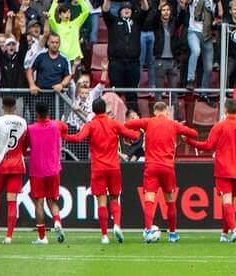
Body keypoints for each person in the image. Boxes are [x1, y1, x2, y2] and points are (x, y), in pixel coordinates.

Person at [63, 97, 142, 244]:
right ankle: (117, 225)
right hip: (113, 167)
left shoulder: (91, 125)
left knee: (101, 202)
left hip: (98, 168)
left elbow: (78, 138)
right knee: (114, 198)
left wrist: (64, 135)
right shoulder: (114, 123)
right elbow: (134, 135)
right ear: (105, 109)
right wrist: (138, 126)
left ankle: (104, 235)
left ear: (93, 110)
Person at [125, 101, 199, 243]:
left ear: (154, 112)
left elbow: (127, 125)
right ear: (166, 112)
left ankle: (148, 231)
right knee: (170, 202)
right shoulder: (173, 124)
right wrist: (184, 135)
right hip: (167, 167)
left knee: (149, 200)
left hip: (151, 167)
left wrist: (139, 128)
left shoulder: (148, 122)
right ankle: (172, 234)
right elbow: (194, 133)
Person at [187, 97, 236, 242]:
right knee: (229, 202)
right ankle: (224, 234)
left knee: (226, 202)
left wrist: (190, 142)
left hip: (224, 169)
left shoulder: (220, 126)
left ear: (225, 109)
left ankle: (234, 230)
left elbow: (207, 146)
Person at [0, 96, 27, 244]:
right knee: (12, 201)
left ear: (2, 107)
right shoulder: (22, 122)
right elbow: (24, 144)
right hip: (16, 166)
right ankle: (9, 236)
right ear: (15, 108)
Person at [23, 102, 67, 244]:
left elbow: (24, 148)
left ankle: (42, 237)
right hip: (53, 169)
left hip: (37, 171)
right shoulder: (56, 125)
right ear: (48, 112)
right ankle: (57, 221)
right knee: (52, 200)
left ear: (36, 113)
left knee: (39, 203)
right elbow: (65, 128)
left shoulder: (30, 129)